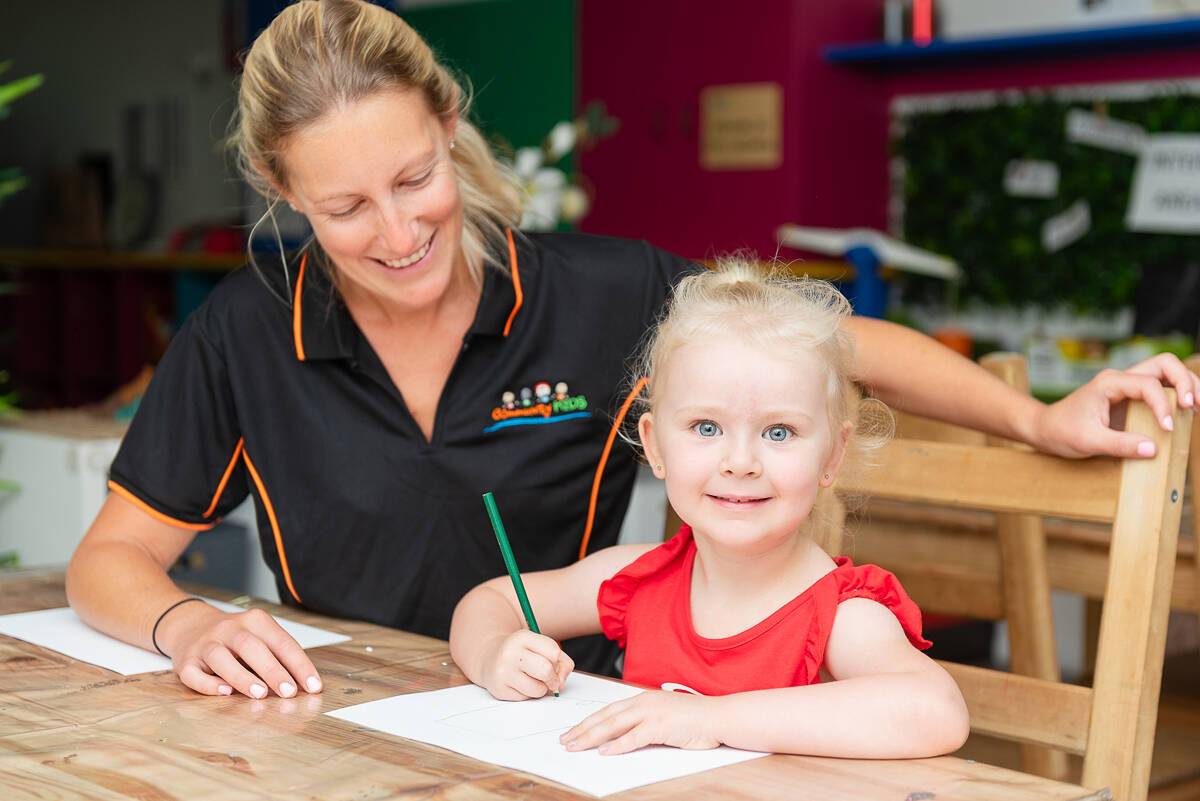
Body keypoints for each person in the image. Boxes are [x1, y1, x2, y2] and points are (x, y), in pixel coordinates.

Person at [66, 0, 1200, 702]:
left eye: (417, 179)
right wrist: (192, 623)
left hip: (566, 710)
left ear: (451, 130)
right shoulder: (245, 332)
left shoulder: (602, 292)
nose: (402, 232)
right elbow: (109, 560)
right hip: (335, 711)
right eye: (348, 206)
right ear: (280, 192)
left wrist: (1039, 419)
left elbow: (833, 335)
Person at [449, 261, 969, 758]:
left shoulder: (841, 616)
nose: (740, 462)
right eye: (706, 428)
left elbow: (935, 711)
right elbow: (490, 601)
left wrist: (707, 720)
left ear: (831, 455)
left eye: (778, 431)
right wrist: (496, 653)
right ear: (655, 446)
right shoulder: (636, 578)